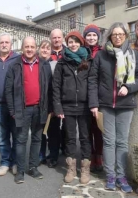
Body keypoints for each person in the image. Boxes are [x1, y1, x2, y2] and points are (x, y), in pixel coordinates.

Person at [88, 22, 138, 193]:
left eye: (121, 34)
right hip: (106, 104)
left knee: (122, 142)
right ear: (110, 37)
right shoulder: (101, 56)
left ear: (126, 36)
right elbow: (92, 80)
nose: (118, 37)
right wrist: (93, 103)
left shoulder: (135, 55)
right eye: (114, 34)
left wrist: (129, 87)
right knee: (108, 141)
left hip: (125, 104)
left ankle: (121, 176)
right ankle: (110, 175)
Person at [5, 37, 52, 184]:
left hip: (40, 108)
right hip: (22, 110)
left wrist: (49, 108)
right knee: (20, 140)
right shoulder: (14, 65)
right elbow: (8, 90)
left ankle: (33, 167)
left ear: (36, 48)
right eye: (27, 46)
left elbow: (49, 88)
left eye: (32, 46)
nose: (30, 49)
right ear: (22, 48)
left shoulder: (44, 65)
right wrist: (12, 110)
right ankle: (20, 171)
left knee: (37, 139)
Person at [52, 31, 92, 184]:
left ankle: (85, 168)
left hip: (84, 106)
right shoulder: (62, 62)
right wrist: (58, 107)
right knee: (69, 137)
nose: (73, 44)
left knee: (85, 137)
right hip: (67, 106)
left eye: (76, 42)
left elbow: (92, 83)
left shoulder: (89, 60)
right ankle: (71, 168)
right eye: (70, 42)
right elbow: (56, 85)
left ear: (81, 43)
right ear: (67, 44)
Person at [0, 33, 20, 176]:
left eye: (7, 42)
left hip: (14, 105)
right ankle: (5, 162)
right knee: (2, 136)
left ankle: (15, 162)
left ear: (11, 44)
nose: (4, 44)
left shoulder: (17, 59)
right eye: (2, 42)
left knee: (16, 134)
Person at [83, 24, 103, 172]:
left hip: (99, 95)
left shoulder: (102, 52)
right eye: (89, 35)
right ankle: (89, 156)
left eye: (94, 35)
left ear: (98, 37)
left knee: (99, 129)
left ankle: (99, 157)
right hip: (83, 95)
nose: (91, 38)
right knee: (86, 129)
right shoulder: (81, 52)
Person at [47, 29, 66, 168]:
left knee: (67, 126)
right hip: (51, 95)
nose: (57, 40)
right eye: (54, 38)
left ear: (62, 38)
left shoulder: (68, 52)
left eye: (59, 37)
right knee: (53, 127)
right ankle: (53, 155)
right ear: (50, 39)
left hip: (67, 95)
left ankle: (65, 149)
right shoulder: (46, 54)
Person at [37, 40, 54, 165]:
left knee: (53, 131)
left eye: (47, 48)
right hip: (39, 104)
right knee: (40, 132)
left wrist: (54, 106)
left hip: (51, 103)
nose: (45, 50)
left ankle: (53, 156)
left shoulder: (54, 64)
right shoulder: (35, 63)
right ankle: (41, 154)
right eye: (43, 48)